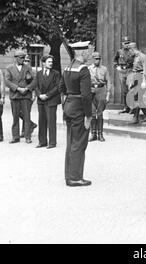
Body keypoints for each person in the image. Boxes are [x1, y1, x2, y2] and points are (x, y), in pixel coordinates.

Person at [59, 47, 93, 187]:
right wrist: (89, 115)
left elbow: (61, 88)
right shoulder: (83, 69)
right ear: (82, 53)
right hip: (79, 108)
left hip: (69, 106)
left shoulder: (68, 67)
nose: (89, 54)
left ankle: (69, 175)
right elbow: (86, 95)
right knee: (79, 143)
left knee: (71, 141)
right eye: (88, 52)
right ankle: (75, 177)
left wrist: (65, 105)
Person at [5, 50, 36, 144]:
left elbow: (35, 80)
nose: (22, 59)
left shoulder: (28, 67)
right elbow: (7, 81)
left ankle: (27, 136)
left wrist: (27, 89)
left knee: (26, 117)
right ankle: (15, 137)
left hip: (26, 95)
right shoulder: (9, 68)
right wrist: (18, 88)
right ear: (16, 58)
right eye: (21, 58)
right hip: (15, 95)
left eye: (24, 57)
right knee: (15, 117)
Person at [35, 55, 61, 149]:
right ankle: (42, 142)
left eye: (51, 62)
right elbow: (36, 86)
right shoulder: (38, 73)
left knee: (51, 121)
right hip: (41, 100)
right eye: (49, 62)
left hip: (51, 100)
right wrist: (39, 95)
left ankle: (52, 142)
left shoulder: (56, 73)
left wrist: (47, 95)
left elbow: (57, 87)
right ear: (43, 63)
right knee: (41, 121)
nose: (51, 63)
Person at [89, 52, 111, 142]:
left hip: (101, 90)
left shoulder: (104, 69)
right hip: (91, 91)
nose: (97, 60)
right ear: (92, 59)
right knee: (92, 113)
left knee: (100, 113)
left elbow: (108, 81)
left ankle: (100, 134)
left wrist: (108, 94)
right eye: (95, 58)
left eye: (98, 59)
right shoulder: (88, 69)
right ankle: (93, 133)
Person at [128, 43, 146, 124]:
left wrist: (144, 81)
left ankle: (135, 117)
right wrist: (132, 81)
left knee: (136, 97)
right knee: (137, 98)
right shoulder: (135, 57)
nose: (129, 53)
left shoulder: (143, 56)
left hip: (142, 78)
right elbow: (134, 70)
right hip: (136, 78)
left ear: (132, 49)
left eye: (129, 50)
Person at [113, 36, 135, 114]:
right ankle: (126, 107)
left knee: (131, 90)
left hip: (130, 71)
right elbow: (115, 61)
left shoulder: (132, 52)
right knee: (124, 91)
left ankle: (132, 107)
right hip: (122, 71)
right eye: (125, 43)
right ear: (122, 44)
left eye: (128, 43)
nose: (127, 45)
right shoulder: (119, 52)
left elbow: (136, 61)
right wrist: (117, 67)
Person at [20, 54, 37, 138]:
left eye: (27, 61)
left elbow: (35, 84)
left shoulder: (32, 71)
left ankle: (25, 131)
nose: (26, 62)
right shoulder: (21, 69)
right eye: (24, 60)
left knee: (26, 112)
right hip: (20, 94)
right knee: (20, 112)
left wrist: (34, 95)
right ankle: (31, 124)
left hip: (29, 94)